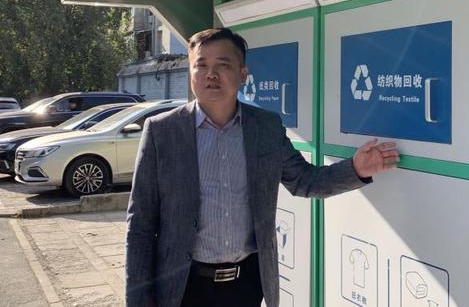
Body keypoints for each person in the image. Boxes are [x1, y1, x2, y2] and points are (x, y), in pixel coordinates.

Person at [125, 28, 400, 307]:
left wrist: (356, 169)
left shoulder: (265, 128)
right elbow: (140, 226)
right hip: (182, 288)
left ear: (243, 74)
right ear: (191, 72)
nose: (211, 74)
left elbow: (305, 180)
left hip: (246, 285)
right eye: (201, 65)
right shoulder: (162, 131)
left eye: (223, 65)